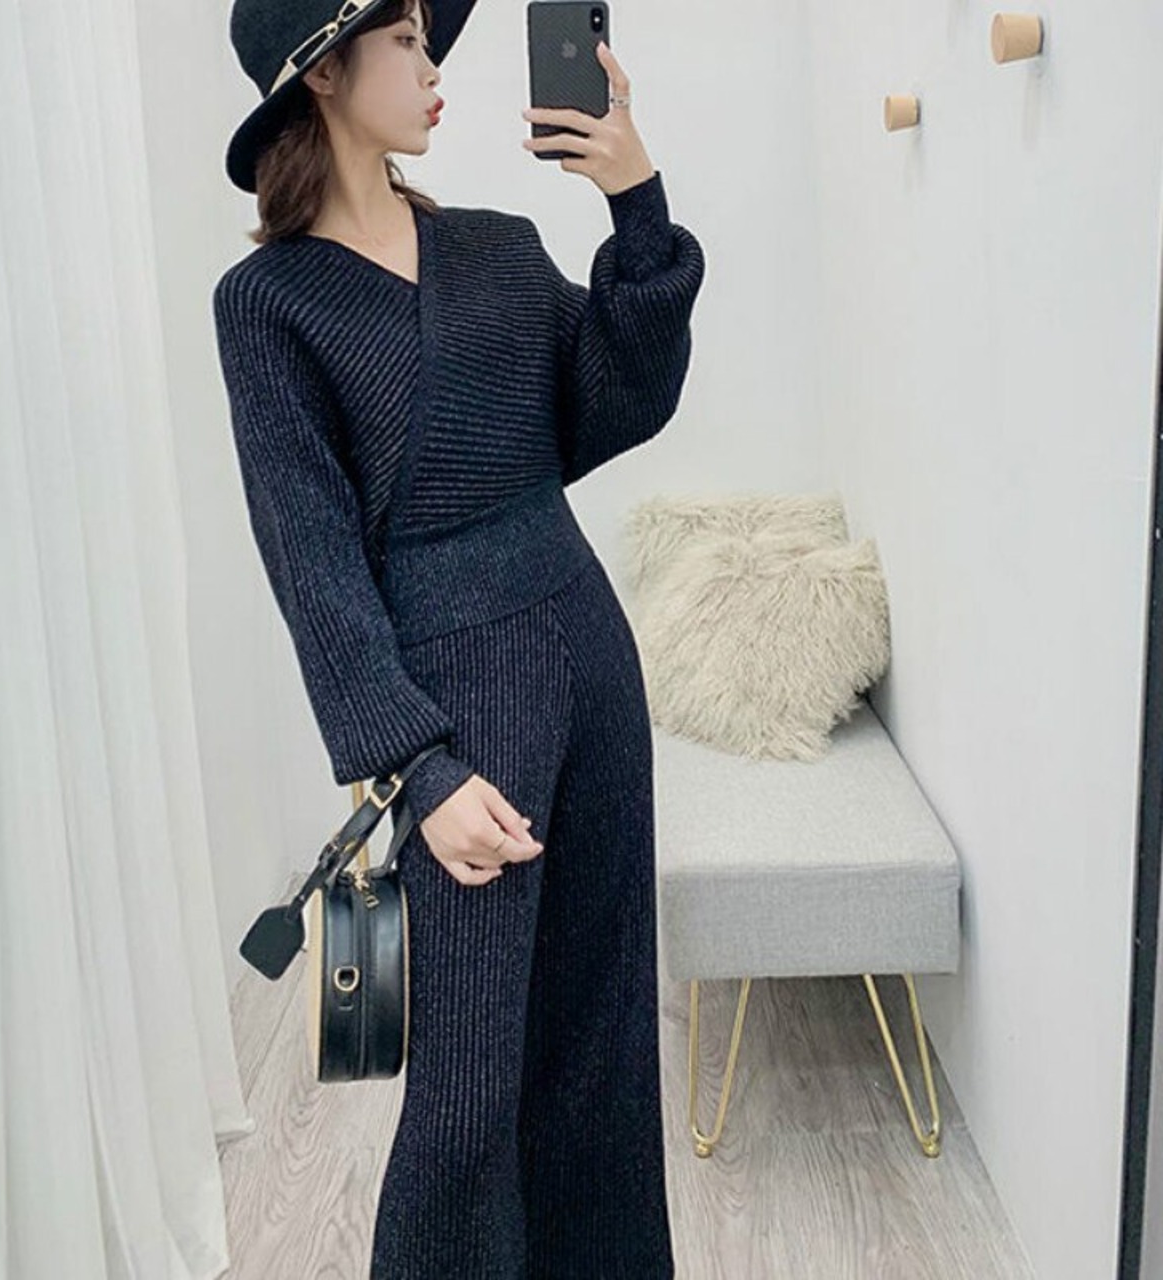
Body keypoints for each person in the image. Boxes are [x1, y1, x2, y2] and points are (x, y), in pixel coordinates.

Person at [212, 0, 706, 1273]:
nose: (434, 68)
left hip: (588, 657)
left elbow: (614, 402)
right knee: (465, 1093)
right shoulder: (266, 304)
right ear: (323, 73)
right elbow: (312, 564)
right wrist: (418, 770)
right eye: (404, 43)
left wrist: (634, 202)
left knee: (600, 1044)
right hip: (457, 713)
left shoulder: (496, 246)